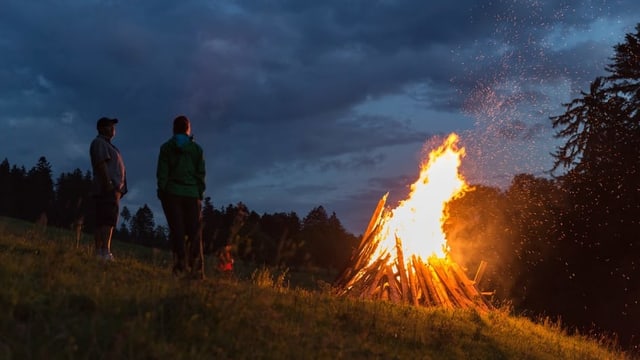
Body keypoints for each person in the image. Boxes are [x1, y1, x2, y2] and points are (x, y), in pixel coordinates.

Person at [157, 115, 206, 279]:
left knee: (177, 232)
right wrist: (199, 192)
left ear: (173, 128)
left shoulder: (166, 148)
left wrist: (162, 191)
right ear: (188, 129)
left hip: (172, 193)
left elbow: (162, 173)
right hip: (192, 195)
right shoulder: (197, 150)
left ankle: (179, 269)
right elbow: (201, 174)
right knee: (194, 234)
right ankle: (197, 272)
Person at [90, 117, 127, 261]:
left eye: (113, 126)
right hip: (107, 189)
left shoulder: (107, 144)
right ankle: (104, 251)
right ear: (101, 128)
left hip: (110, 189)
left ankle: (100, 252)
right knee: (106, 221)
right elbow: (101, 164)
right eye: (109, 126)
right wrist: (109, 184)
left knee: (104, 220)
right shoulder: (99, 143)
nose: (113, 128)